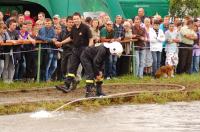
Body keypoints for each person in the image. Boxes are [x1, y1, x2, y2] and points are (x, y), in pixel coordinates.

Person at [55, 12, 93, 92]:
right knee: (71, 69)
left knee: (87, 69)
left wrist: (89, 49)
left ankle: (92, 86)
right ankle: (67, 85)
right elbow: (70, 38)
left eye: (77, 19)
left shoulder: (85, 27)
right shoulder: (74, 28)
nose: (75, 20)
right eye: (74, 19)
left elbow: (91, 39)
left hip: (84, 50)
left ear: (80, 18)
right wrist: (61, 42)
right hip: (75, 50)